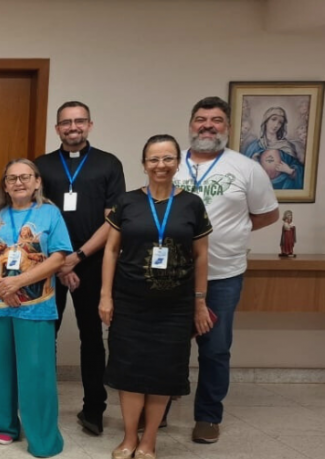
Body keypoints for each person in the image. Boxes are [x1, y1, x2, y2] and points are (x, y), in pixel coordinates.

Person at [100, 134, 214, 459]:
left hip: (175, 306)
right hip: (130, 302)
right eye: (153, 159)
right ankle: (129, 438)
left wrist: (199, 302)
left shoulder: (192, 204)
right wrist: (106, 296)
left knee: (163, 372)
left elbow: (201, 256)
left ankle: (149, 440)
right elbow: (111, 250)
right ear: (144, 164)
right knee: (129, 371)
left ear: (177, 163)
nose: (160, 165)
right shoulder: (127, 202)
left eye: (167, 158)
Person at [173, 96, 279, 444]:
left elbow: (268, 213)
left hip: (222, 274)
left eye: (216, 120)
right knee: (167, 343)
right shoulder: (172, 163)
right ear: (191, 125)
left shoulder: (247, 168)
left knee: (215, 348)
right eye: (201, 119)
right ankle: (159, 406)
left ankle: (208, 416)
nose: (208, 125)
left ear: (228, 127)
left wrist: (233, 232)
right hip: (172, 274)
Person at [33, 101, 125, 435]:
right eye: (66, 122)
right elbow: (35, 218)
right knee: (45, 336)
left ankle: (94, 409)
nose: (73, 127)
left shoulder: (108, 164)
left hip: (93, 263)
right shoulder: (42, 166)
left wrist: (78, 257)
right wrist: (60, 262)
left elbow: (113, 220)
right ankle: (40, 404)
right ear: (57, 128)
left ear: (90, 124)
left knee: (92, 338)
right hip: (48, 265)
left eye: (79, 121)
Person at [0, 158, 71, 458]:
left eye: (25, 177)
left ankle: (42, 437)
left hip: (35, 306)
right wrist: (2, 285)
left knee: (36, 371)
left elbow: (59, 256)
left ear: (37, 181)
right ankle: (5, 425)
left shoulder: (50, 213)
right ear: (5, 185)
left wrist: (19, 282)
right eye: (12, 178)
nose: (18, 182)